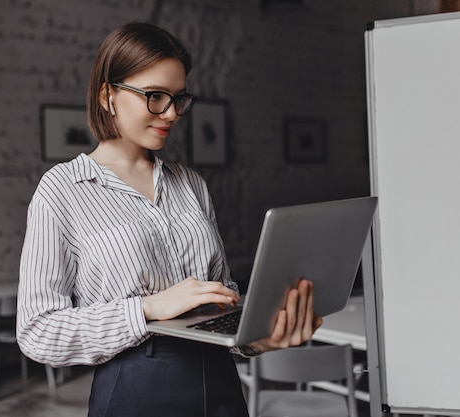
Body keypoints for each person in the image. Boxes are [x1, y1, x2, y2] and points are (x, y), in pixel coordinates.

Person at [17, 21, 322, 417]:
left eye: (179, 98)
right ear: (108, 95)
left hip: (221, 385)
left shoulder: (191, 183)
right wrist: (146, 308)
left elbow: (221, 299)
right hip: (135, 389)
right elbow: (37, 332)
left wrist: (261, 338)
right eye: (155, 96)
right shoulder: (61, 190)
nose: (172, 113)